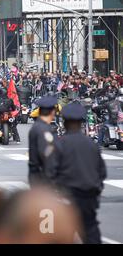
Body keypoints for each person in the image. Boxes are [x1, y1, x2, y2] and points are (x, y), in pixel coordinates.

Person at [45, 102, 107, 244]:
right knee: (91, 232)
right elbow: (101, 172)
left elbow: (50, 173)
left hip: (67, 197)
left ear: (65, 122)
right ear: (81, 123)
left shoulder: (59, 144)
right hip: (89, 197)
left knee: (61, 235)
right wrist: (96, 189)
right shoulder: (92, 144)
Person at [28, 96, 57, 186]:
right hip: (43, 178)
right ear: (52, 112)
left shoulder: (38, 126)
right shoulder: (43, 130)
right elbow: (46, 154)